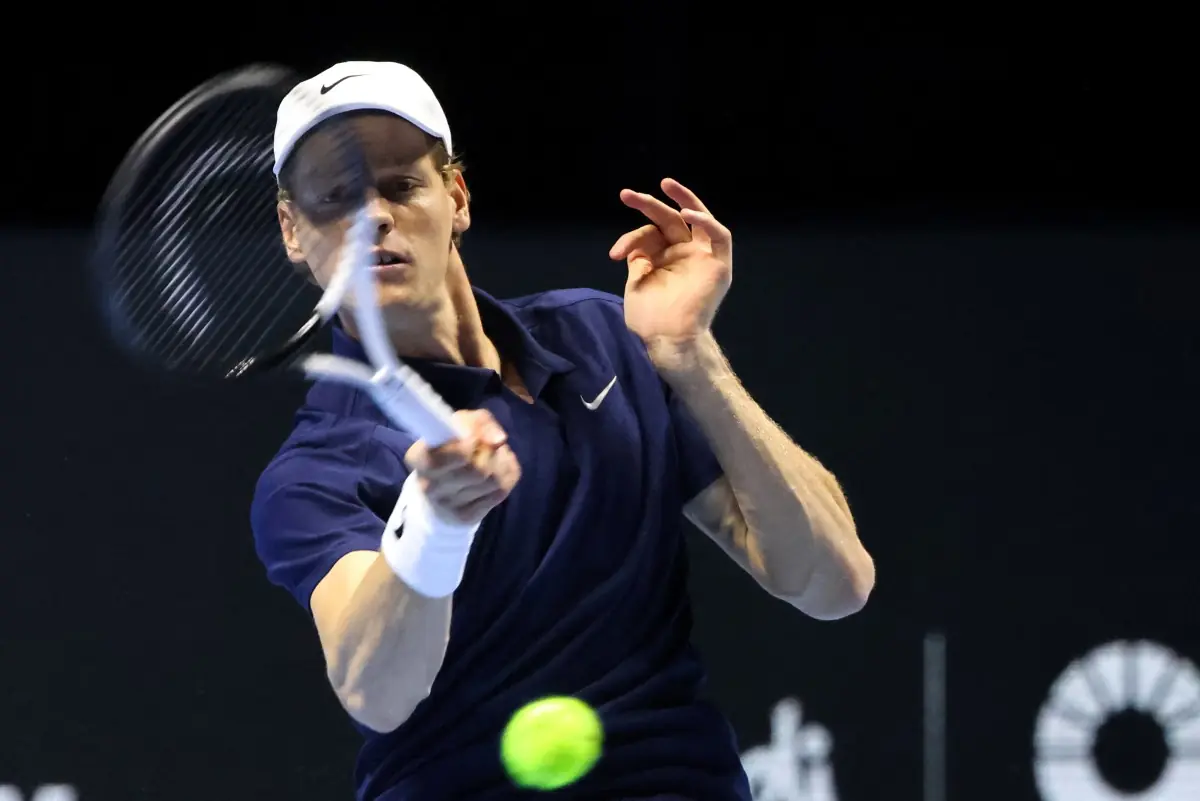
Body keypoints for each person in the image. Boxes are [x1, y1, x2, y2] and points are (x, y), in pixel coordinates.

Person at [251, 60, 875, 801]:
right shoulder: (317, 470)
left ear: (457, 197)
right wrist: (436, 521)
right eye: (334, 199)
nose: (372, 217)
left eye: (400, 185)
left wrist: (690, 358)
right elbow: (377, 693)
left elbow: (835, 583)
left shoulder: (602, 339)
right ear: (293, 232)